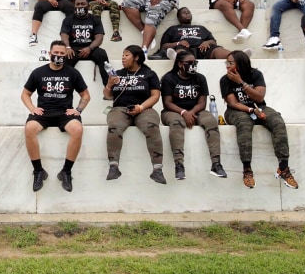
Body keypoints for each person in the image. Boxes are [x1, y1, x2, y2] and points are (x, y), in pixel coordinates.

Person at [220, 50, 299, 190]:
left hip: (259, 106)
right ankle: (247, 169)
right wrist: (250, 110)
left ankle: (283, 168)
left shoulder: (255, 75)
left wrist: (241, 83)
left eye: (230, 63)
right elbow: (232, 103)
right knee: (244, 124)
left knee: (277, 121)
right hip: (236, 111)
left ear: (240, 63)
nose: (227, 66)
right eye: (227, 62)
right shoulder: (225, 80)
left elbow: (259, 97)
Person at [21, 41, 90, 193]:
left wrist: (78, 110)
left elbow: (85, 95)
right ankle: (38, 171)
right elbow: (25, 94)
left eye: (61, 53)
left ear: (65, 55)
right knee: (29, 128)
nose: (58, 56)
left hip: (65, 112)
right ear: (49, 54)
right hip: (44, 112)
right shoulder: (38, 72)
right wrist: (32, 108)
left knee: (77, 129)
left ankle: (66, 171)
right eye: (56, 53)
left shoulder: (72, 73)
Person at [103, 45, 166, 184]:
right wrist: (109, 84)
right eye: (122, 55)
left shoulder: (149, 74)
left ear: (136, 57)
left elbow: (155, 95)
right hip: (120, 108)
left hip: (143, 108)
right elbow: (107, 96)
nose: (123, 58)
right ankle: (113, 166)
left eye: (126, 55)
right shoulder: (117, 73)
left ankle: (157, 169)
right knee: (114, 126)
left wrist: (141, 107)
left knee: (151, 126)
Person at [160, 50, 227, 180]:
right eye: (189, 63)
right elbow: (167, 103)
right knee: (176, 123)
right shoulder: (169, 78)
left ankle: (216, 163)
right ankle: (179, 164)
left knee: (211, 122)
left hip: (196, 110)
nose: (193, 65)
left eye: (195, 62)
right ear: (180, 64)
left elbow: (202, 103)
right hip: (173, 111)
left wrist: (191, 112)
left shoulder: (200, 78)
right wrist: (183, 112)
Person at [60, 0, 111, 86]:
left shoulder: (95, 19)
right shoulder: (68, 20)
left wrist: (89, 48)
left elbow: (99, 37)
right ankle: (64, 86)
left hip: (91, 48)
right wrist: (67, 47)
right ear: (74, 6)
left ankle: (109, 86)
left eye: (83, 4)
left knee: (102, 54)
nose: (80, 6)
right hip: (74, 49)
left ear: (88, 6)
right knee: (67, 56)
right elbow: (64, 35)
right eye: (78, 4)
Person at [156, 7, 233, 60]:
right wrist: (178, 43)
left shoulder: (201, 28)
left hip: (202, 49)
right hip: (184, 49)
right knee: (181, 51)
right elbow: (164, 46)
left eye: (188, 12)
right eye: (184, 13)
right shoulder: (172, 29)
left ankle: (236, 56)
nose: (187, 13)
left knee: (217, 49)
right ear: (179, 17)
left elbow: (213, 42)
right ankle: (176, 56)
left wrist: (207, 42)